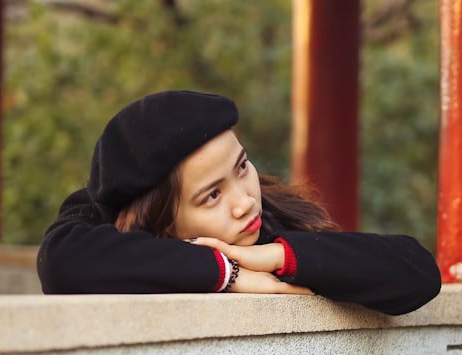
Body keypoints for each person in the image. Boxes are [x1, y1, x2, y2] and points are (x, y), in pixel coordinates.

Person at [37, 90, 441, 315]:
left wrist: (274, 258)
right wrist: (225, 273)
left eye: (242, 166)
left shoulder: (274, 223)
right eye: (212, 195)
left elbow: (418, 273)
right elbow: (60, 265)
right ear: (161, 223)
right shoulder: (109, 219)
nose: (245, 201)